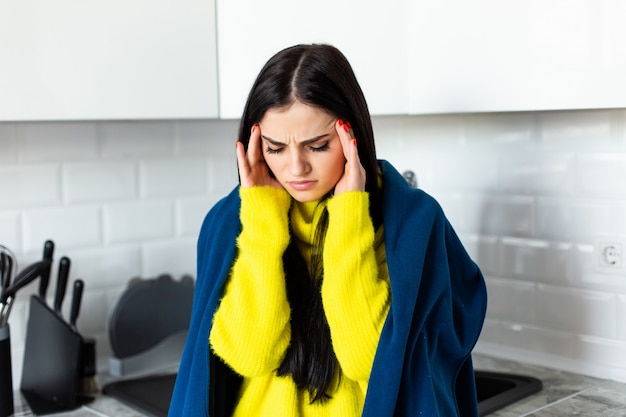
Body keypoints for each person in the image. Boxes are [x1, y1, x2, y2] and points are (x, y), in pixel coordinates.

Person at [168, 44, 487, 417]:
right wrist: (262, 224)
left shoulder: (412, 223)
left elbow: (372, 363)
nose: (295, 168)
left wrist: (350, 220)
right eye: (275, 148)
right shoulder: (230, 222)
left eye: (317, 146)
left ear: (353, 137)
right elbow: (249, 355)